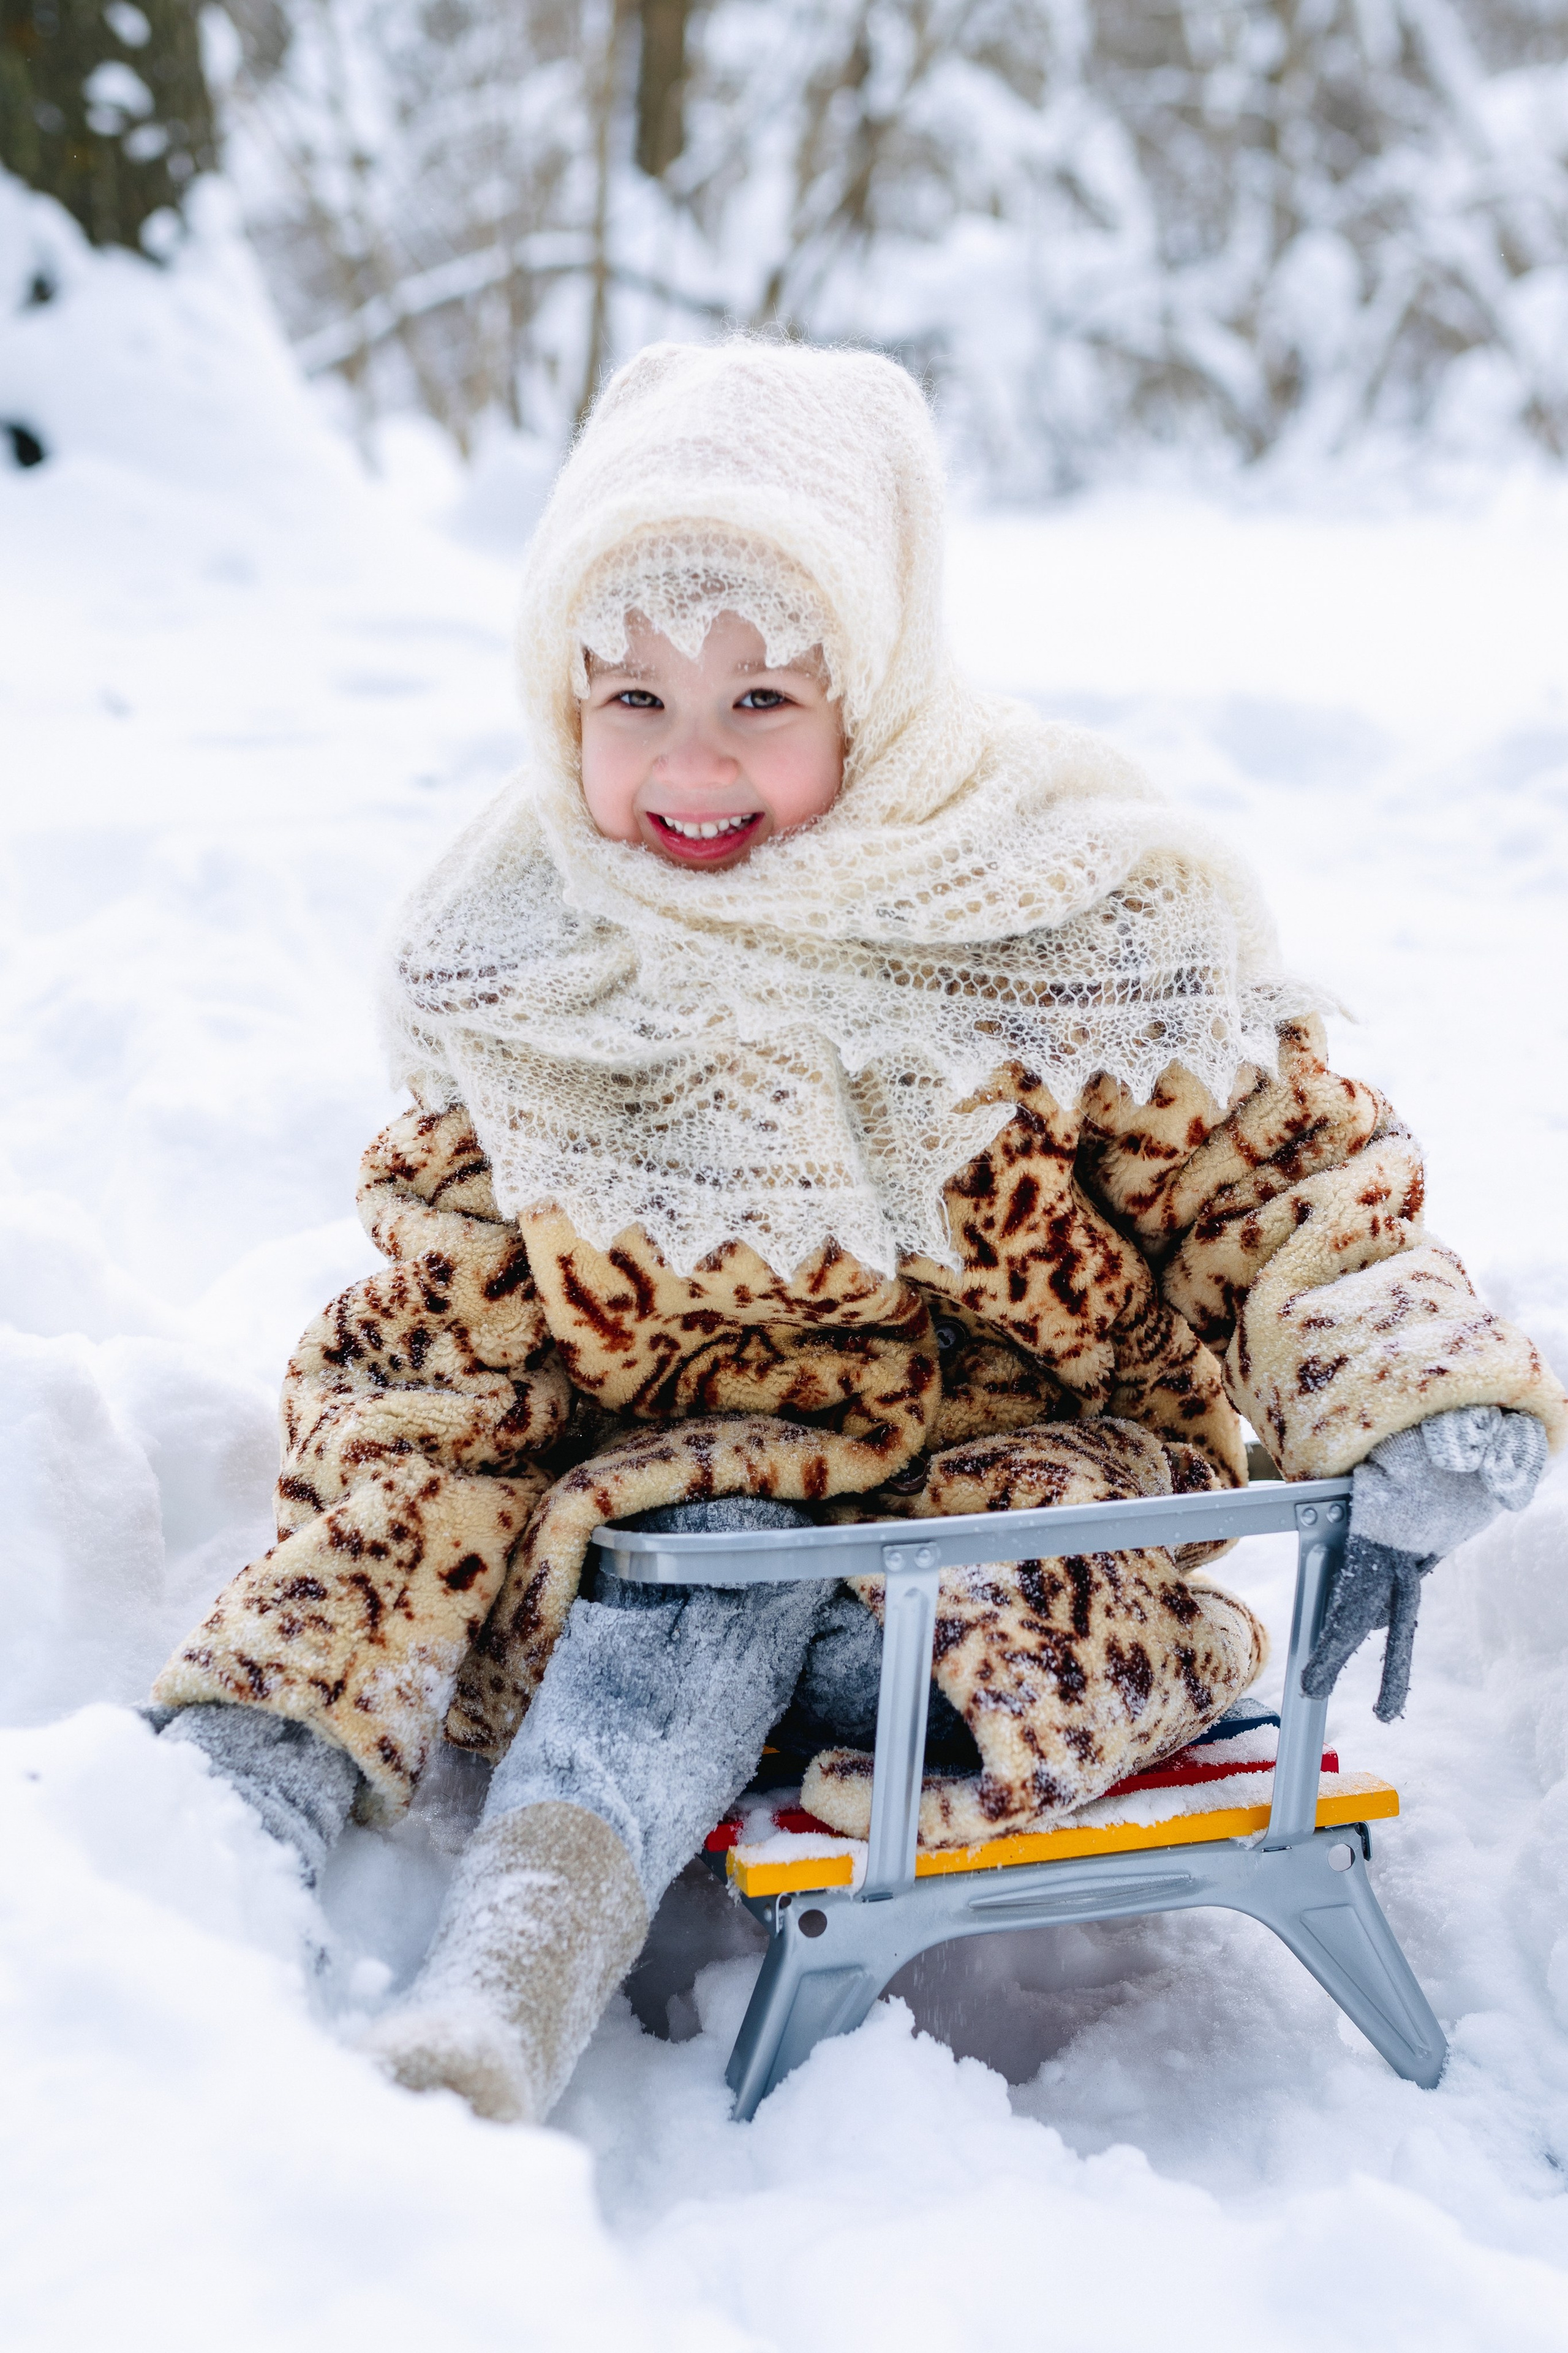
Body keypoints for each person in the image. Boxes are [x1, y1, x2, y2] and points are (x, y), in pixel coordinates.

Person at [148, 339, 1564, 2124]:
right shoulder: (520, 964)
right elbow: (442, 1379)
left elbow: (1276, 1191)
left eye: (763, 701)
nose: (691, 762)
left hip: (1018, 1544)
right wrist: (292, 1696)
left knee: (851, 1591)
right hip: (685, 1555)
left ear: (877, 680)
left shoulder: (1060, 902)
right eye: (631, 698)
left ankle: (775, 1781)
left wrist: (1406, 1381)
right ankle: (517, 1962)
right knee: (712, 1561)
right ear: (553, 694)